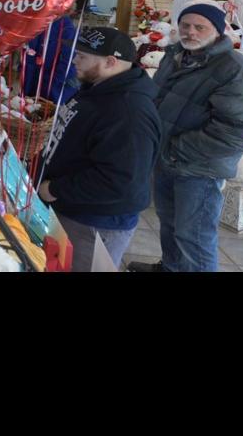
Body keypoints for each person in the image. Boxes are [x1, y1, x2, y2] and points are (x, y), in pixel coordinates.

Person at [126, 2, 243, 273]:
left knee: (195, 235)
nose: (191, 32)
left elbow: (240, 132)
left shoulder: (237, 71)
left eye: (200, 27)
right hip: (167, 158)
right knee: (169, 222)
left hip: (199, 167)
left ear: (218, 30)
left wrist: (177, 147)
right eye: (186, 26)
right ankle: (170, 267)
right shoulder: (174, 56)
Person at [36, 27, 160, 272]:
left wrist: (54, 188)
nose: (73, 61)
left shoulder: (129, 112)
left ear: (111, 62)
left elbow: (121, 181)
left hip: (95, 222)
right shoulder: (96, 88)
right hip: (74, 211)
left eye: (82, 56)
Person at [21, 0, 86, 106]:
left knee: (44, 112)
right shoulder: (40, 23)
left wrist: (51, 86)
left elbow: (68, 62)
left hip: (53, 84)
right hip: (32, 77)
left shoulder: (68, 30)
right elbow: (28, 50)